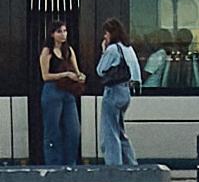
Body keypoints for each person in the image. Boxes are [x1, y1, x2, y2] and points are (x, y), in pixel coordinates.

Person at [36, 18, 84, 166]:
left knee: (73, 130)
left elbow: (77, 71)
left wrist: (80, 76)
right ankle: (53, 163)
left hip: (68, 92)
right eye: (59, 32)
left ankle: (70, 163)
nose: (63, 35)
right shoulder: (47, 51)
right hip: (52, 91)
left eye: (65, 31)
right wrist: (64, 75)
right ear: (52, 34)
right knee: (52, 131)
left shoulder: (69, 50)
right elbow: (45, 76)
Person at [94, 17, 140, 164]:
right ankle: (132, 164)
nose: (105, 36)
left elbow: (100, 70)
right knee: (120, 131)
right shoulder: (128, 48)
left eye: (106, 33)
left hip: (113, 92)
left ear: (111, 33)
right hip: (126, 93)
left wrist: (104, 51)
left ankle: (115, 167)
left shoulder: (113, 49)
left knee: (110, 133)